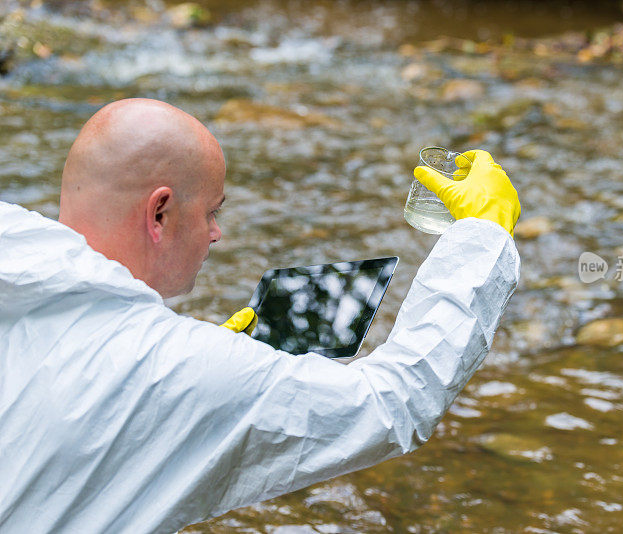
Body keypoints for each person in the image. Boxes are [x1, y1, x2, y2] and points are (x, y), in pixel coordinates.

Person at [0, 98, 521, 533]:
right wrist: (483, 235)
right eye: (212, 211)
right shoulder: (180, 368)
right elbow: (394, 401)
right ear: (159, 213)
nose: (215, 233)